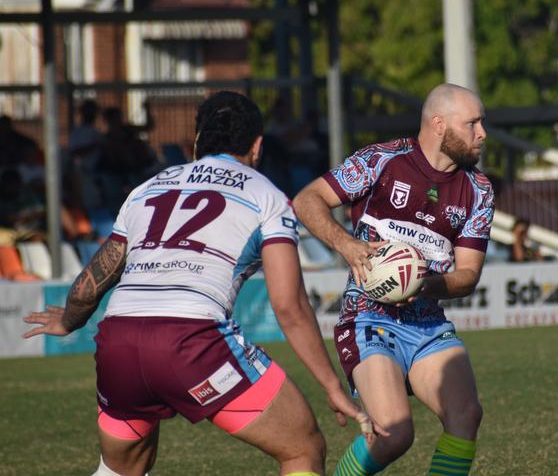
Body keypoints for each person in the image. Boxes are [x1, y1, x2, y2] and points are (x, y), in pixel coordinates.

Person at [23, 91, 385, 476]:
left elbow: (98, 275)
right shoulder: (266, 196)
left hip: (119, 342)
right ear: (257, 146)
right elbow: (288, 306)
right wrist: (330, 384)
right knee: (302, 448)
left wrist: (69, 320)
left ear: (195, 142)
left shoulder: (146, 189)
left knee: (122, 468)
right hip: (192, 342)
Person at [293, 83, 494, 476]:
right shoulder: (382, 160)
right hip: (368, 319)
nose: (482, 133)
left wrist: (423, 284)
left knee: (467, 414)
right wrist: (347, 245)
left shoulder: (478, 190)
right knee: (393, 434)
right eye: (472, 123)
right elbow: (307, 200)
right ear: (439, 124)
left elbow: (467, 275)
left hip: (427, 325)